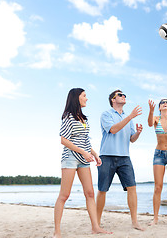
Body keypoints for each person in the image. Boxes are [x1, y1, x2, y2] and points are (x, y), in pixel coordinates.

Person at [53, 88, 111, 238]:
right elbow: (63, 140)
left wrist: (94, 154)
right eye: (84, 96)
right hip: (71, 158)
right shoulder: (68, 117)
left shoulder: (84, 118)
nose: (87, 98)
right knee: (64, 195)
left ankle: (95, 227)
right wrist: (83, 152)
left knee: (90, 193)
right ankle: (57, 232)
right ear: (76, 98)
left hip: (84, 159)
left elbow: (85, 140)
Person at [96, 90, 144, 231]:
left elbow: (131, 139)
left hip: (124, 157)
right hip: (107, 156)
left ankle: (135, 222)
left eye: (125, 95)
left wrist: (138, 133)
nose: (124, 96)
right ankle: (97, 222)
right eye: (120, 95)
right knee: (102, 189)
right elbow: (113, 130)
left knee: (132, 188)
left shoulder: (127, 117)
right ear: (113, 99)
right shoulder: (106, 114)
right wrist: (130, 117)